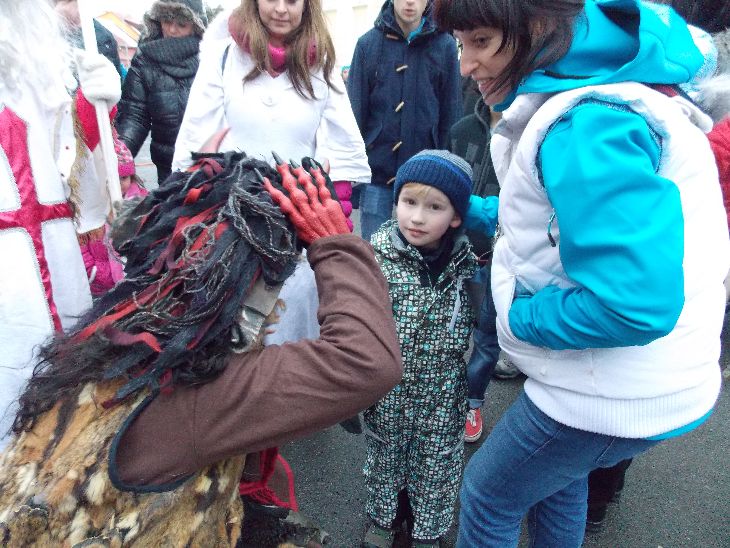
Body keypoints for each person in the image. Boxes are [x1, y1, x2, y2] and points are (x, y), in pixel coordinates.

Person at [432, 0, 730, 546]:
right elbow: (557, 221)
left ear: (539, 28)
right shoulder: (610, 93)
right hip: (643, 379)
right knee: (558, 484)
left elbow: (633, 305)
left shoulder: (587, 123)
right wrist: (472, 211)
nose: (465, 65)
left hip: (607, 392)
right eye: (459, 44)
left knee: (488, 496)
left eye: (480, 42)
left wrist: (522, 319)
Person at [0, 149, 402, 546]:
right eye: (272, 286)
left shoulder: (116, 335)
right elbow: (365, 362)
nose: (276, 306)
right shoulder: (200, 395)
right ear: (241, 289)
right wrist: (335, 242)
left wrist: (201, 194)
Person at [172, 0, 370, 345]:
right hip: (232, 222)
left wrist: (333, 209)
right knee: (233, 333)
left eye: (292, 1)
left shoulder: (322, 63)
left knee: (291, 328)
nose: (281, 9)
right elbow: (196, 139)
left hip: (296, 223)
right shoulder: (223, 56)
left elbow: (340, 142)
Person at [0, 0, 119, 449]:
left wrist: (91, 110)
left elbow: (72, 175)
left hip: (58, 257)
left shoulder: (34, 64)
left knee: (64, 415)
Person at [362, 150, 477, 548]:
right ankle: (383, 519)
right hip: (388, 390)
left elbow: (487, 324)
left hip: (442, 393)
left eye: (434, 207)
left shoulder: (467, 264)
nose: (417, 218)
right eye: (408, 202)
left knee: (436, 466)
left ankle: (427, 530)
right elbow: (356, 324)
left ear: (456, 216)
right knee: (384, 457)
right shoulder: (376, 258)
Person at [347, 0, 462, 241]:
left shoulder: (445, 46)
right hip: (377, 171)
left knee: (420, 251)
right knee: (375, 250)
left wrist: (446, 164)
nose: (410, 2)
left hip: (426, 172)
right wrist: (352, 169)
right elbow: (355, 113)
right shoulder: (368, 44)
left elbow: (451, 113)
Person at [449, 81, 501, 443]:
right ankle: (441, 394)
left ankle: (472, 401)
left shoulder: (531, 134)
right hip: (456, 247)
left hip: (500, 254)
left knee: (486, 336)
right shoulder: (461, 129)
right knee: (447, 327)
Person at [115, 0, 207, 184]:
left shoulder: (211, 57)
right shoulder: (145, 61)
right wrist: (120, 162)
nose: (172, 30)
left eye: (181, 23)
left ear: (196, 26)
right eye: (166, 20)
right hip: (169, 168)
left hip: (212, 163)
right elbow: (135, 116)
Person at [78, 137, 148, 297]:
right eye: (113, 178)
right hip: (101, 283)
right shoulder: (90, 207)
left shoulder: (142, 202)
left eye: (124, 178)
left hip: (133, 280)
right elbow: (81, 241)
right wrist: (92, 271)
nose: (119, 183)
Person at [53, 0, 123, 79]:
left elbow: (109, 78)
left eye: (65, 2)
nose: (57, 9)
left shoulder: (100, 38)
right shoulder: (51, 31)